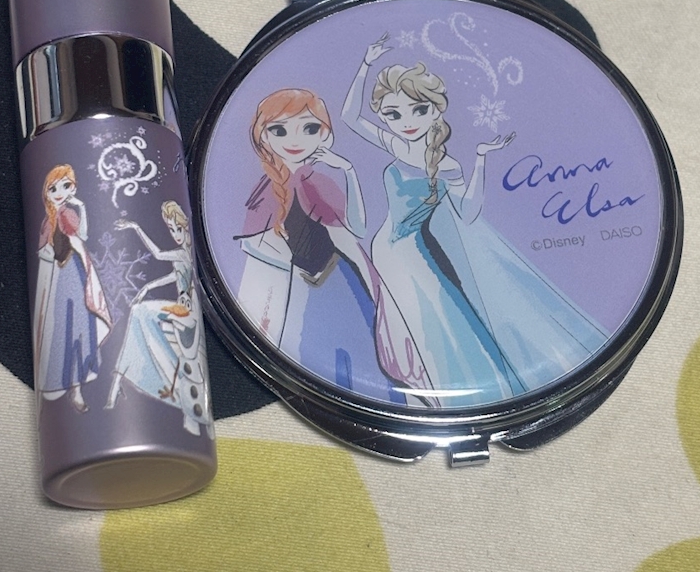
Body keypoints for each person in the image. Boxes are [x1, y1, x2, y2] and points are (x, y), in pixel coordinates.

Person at [342, 35, 609, 405]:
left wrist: (481, 160)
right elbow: (349, 117)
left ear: (436, 112)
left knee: (441, 317)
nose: (406, 122)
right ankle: (431, 395)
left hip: (411, 251)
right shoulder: (397, 145)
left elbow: (468, 212)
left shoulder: (447, 164)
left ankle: (462, 397)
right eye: (393, 114)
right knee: (417, 319)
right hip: (385, 248)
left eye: (418, 109)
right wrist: (365, 64)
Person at [237, 88, 433, 403]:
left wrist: (348, 171)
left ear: (324, 135)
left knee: (358, 358)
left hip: (336, 282)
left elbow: (356, 229)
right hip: (299, 289)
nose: (294, 139)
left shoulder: (315, 181)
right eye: (280, 130)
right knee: (322, 359)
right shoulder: (268, 188)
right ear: (263, 136)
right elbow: (258, 248)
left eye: (309, 128)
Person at [106, 202, 211, 435]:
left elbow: (158, 254)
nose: (175, 234)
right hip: (182, 307)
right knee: (140, 312)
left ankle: (128, 374)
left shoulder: (184, 252)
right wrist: (147, 287)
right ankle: (126, 376)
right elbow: (176, 276)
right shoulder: (184, 253)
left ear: (185, 225)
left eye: (178, 229)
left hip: (185, 310)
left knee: (142, 314)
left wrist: (136, 227)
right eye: (171, 230)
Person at [33, 165, 111, 413]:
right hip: (57, 278)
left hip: (76, 272)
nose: (60, 193)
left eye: (66, 186)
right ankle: (64, 384)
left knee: (81, 327)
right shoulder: (47, 220)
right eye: (54, 188)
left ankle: (77, 388)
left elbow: (83, 236)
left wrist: (82, 207)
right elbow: (43, 251)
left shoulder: (69, 213)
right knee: (62, 329)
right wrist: (50, 253)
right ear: (46, 192)